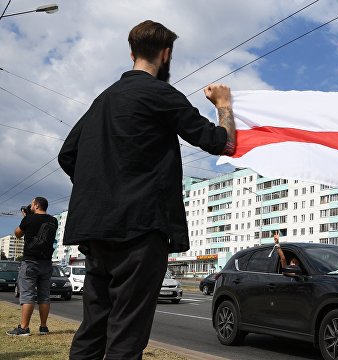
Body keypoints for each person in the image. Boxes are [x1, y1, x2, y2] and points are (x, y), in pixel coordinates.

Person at [57, 20, 236, 359]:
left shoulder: (102, 100)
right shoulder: (161, 95)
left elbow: (68, 155)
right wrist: (223, 104)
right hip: (140, 230)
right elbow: (221, 142)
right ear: (166, 54)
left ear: (131, 52)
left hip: (95, 232)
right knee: (127, 334)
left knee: (93, 329)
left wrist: (102, 189)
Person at [7, 197, 58, 336]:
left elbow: (17, 234)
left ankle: (24, 328)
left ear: (35, 205)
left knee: (28, 294)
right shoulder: (54, 220)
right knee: (44, 296)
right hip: (47, 262)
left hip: (30, 262)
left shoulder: (29, 219)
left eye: (32, 204)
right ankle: (43, 327)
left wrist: (26, 217)